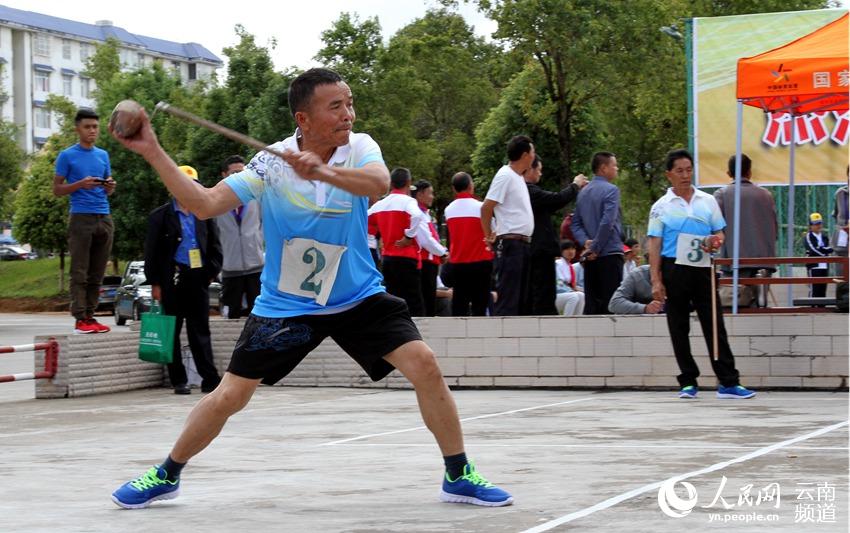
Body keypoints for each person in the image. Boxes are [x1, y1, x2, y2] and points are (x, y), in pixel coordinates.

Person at [110, 68, 511, 509]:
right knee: (231, 394)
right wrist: (152, 151)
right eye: (335, 107)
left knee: (425, 365)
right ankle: (167, 473)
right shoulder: (270, 163)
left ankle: (458, 473)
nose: (348, 115)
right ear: (303, 118)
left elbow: (377, 183)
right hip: (287, 304)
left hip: (357, 296)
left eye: (350, 103)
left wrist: (323, 171)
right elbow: (203, 204)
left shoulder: (359, 146)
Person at [647, 148, 755, 400]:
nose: (685, 175)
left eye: (689, 170)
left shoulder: (707, 201)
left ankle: (728, 381)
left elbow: (720, 232)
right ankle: (688, 381)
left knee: (714, 324)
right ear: (669, 175)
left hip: (703, 268)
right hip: (674, 267)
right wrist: (656, 279)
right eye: (679, 171)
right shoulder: (660, 207)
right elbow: (654, 243)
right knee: (678, 325)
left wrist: (714, 241)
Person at [144, 165, 223, 395]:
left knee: (200, 331)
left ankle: (209, 378)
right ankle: (179, 380)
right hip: (171, 279)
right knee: (172, 331)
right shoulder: (160, 217)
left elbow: (215, 248)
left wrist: (209, 274)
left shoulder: (204, 214)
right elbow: (151, 253)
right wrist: (156, 283)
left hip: (197, 278)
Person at [53, 108, 117, 334]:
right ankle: (80, 318)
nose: (92, 131)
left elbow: (107, 187)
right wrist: (80, 184)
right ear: (77, 129)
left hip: (104, 215)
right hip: (81, 217)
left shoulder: (103, 155)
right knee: (79, 270)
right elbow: (57, 189)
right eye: (87, 127)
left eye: (95, 127)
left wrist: (109, 186)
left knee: (98, 272)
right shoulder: (67, 155)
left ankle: (91, 315)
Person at [368, 169, 446, 316]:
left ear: (391, 183)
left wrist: (374, 234)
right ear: (408, 183)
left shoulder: (381, 204)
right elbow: (416, 216)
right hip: (407, 257)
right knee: (413, 300)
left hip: (388, 258)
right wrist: (408, 236)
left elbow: (365, 218)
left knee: (392, 298)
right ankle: (417, 335)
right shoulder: (408, 201)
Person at [481, 135, 535, 316]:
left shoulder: (518, 178)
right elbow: (486, 207)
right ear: (526, 154)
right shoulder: (505, 175)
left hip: (523, 244)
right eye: (533, 152)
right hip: (511, 244)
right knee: (509, 298)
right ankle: (503, 341)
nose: (534, 156)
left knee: (522, 298)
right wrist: (489, 235)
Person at [524, 156, 585, 315]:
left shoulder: (528, 193)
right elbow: (556, 199)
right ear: (530, 169)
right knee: (543, 294)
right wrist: (575, 185)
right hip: (539, 249)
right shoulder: (529, 191)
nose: (540, 174)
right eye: (539, 170)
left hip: (537, 249)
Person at [713, 154, 778, 299]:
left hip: (735, 261)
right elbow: (775, 229)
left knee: (738, 305)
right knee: (761, 305)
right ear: (749, 172)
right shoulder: (766, 195)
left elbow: (715, 228)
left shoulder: (722, 194)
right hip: (764, 261)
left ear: (729, 174)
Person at [571, 151, 624, 315]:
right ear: (603, 168)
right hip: (609, 253)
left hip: (590, 257)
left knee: (592, 303)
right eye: (614, 165)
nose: (617, 168)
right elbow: (607, 222)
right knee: (611, 303)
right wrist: (596, 247)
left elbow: (575, 223)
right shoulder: (611, 190)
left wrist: (586, 242)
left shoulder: (583, 192)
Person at [214, 155, 264, 319]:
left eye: (241, 172)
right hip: (230, 267)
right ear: (224, 175)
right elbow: (213, 234)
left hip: (256, 265)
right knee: (231, 314)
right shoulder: (216, 201)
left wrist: (259, 242)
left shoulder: (257, 196)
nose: (238, 176)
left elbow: (266, 223)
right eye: (233, 173)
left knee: (258, 314)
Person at [444, 172, 494, 316]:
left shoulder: (449, 210)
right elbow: (492, 231)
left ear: (454, 188)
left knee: (459, 304)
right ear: (471, 186)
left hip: (458, 262)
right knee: (481, 303)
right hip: (481, 260)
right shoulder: (481, 208)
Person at [413, 179, 443, 316]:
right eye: (430, 193)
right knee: (426, 303)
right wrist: (443, 252)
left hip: (430, 261)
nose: (432, 196)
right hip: (424, 262)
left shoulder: (425, 213)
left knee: (429, 302)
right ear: (419, 195)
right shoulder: (417, 213)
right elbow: (426, 241)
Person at [803, 212, 832, 299]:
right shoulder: (809, 236)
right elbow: (813, 249)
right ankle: (812, 307)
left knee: (823, 288)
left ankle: (821, 307)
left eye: (819, 223)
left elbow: (830, 249)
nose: (818, 225)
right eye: (815, 224)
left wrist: (822, 249)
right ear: (810, 226)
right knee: (814, 288)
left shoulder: (824, 237)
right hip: (814, 266)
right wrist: (823, 252)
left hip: (824, 266)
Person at [554, 240, 585, 316]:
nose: (571, 251)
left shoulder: (569, 266)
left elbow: (573, 286)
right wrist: (571, 291)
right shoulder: (558, 264)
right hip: (555, 294)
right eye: (567, 249)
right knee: (573, 296)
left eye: (573, 249)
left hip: (564, 293)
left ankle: (577, 321)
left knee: (581, 295)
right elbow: (558, 284)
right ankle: (566, 321)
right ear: (561, 251)